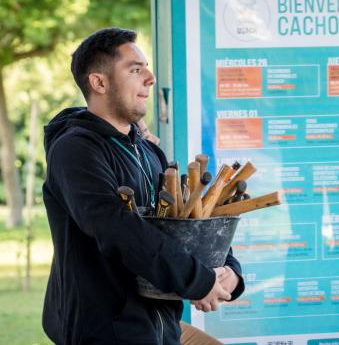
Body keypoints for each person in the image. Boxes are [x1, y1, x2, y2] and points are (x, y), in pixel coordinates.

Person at [42, 27, 245, 345]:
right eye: (135, 70)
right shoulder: (75, 150)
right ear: (99, 82)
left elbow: (186, 223)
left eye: (146, 68)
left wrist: (227, 269)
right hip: (107, 332)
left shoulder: (148, 150)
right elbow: (116, 228)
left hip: (162, 328)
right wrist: (196, 280)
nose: (150, 78)